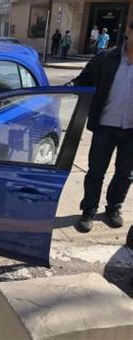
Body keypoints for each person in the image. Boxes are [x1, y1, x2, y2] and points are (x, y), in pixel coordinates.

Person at [73, 21, 133, 233]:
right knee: (96, 171)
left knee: (125, 174)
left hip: (132, 132)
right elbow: (82, 81)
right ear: (128, 31)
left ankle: (113, 208)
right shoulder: (105, 58)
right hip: (105, 126)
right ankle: (88, 209)